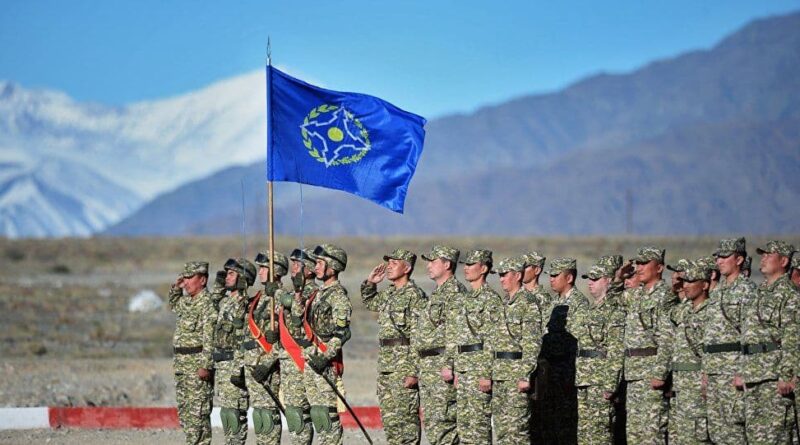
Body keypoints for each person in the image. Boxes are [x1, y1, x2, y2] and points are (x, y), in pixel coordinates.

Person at [736, 240, 800, 444]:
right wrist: (741, 370)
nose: (763, 258)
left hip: (773, 377)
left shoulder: (789, 295)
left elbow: (792, 336)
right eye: (762, 254)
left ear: (783, 261)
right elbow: (748, 335)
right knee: (755, 437)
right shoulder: (759, 292)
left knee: (776, 436)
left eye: (768, 254)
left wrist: (787, 375)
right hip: (753, 375)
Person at [361, 248, 427, 445]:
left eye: (394, 263)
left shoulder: (414, 295)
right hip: (387, 365)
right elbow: (370, 302)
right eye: (388, 263)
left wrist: (413, 371)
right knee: (390, 423)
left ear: (406, 268)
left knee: (405, 422)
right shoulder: (389, 293)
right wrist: (370, 284)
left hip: (403, 365)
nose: (388, 267)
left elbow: (419, 335)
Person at [487, 257, 544, 444]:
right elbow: (492, 341)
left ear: (518, 275)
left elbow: (532, 342)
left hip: (515, 375)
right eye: (500, 275)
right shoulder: (504, 303)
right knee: (503, 431)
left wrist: (525, 375)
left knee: (517, 431)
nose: (501, 279)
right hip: (500, 375)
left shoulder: (528, 302)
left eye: (505, 275)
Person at [623, 247, 676, 445]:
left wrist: (660, 373)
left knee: (652, 433)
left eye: (645, 263)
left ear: (660, 267)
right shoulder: (637, 295)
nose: (639, 268)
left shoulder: (665, 296)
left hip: (651, 371)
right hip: (634, 373)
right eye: (638, 263)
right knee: (634, 434)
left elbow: (667, 338)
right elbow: (613, 297)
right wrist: (620, 276)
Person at [300, 244, 352, 445]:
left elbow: (342, 333)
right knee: (317, 414)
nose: (317, 267)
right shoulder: (319, 293)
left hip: (325, 363)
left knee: (327, 416)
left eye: (321, 263)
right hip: (311, 360)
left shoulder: (338, 295)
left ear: (333, 266)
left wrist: (325, 356)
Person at [570, 260, 625, 444]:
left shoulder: (614, 311)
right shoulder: (588, 310)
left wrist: (610, 384)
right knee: (584, 434)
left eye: (595, 278)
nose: (590, 282)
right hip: (584, 379)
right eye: (588, 278)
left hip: (600, 381)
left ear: (608, 281)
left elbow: (616, 349)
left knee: (600, 433)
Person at [416, 245, 466, 445]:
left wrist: (450, 364)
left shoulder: (455, 293)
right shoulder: (438, 293)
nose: (428, 266)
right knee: (434, 425)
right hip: (429, 367)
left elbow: (457, 332)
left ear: (447, 264)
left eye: (433, 261)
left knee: (444, 425)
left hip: (442, 365)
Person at [449, 249, 500, 444]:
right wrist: (456, 368)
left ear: (484, 268)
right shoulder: (465, 299)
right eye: (465, 264)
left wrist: (486, 373)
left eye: (471, 265)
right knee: (465, 427)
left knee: (478, 426)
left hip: (479, 369)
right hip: (464, 370)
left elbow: (493, 339)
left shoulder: (491, 300)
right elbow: (459, 337)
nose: (466, 268)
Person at [704, 237, 751, 444]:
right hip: (714, 371)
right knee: (716, 432)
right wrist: (705, 371)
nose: (719, 261)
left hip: (732, 370)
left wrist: (744, 371)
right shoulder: (716, 293)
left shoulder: (747, 290)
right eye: (718, 257)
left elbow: (750, 334)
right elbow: (709, 335)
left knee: (733, 432)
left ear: (739, 259)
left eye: (725, 257)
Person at [242, 251, 288, 445]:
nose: (260, 272)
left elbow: (286, 338)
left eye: (264, 268)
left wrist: (267, 363)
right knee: (259, 416)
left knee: (268, 416)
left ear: (275, 270)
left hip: (268, 367)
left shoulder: (280, 298)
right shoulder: (259, 298)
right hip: (251, 364)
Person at [169, 261, 216, 445]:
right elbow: (173, 304)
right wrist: (176, 287)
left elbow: (210, 338)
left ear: (202, 280)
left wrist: (205, 365)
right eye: (185, 278)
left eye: (190, 278)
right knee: (186, 414)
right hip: (182, 366)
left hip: (197, 368)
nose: (186, 282)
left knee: (198, 416)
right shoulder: (187, 301)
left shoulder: (207, 304)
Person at [541, 257, 587, 444]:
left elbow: (575, 337)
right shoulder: (554, 302)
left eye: (555, 275)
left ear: (569, 278)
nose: (551, 279)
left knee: (566, 421)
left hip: (567, 369)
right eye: (550, 275)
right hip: (551, 369)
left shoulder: (578, 303)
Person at [211, 257, 257, 445]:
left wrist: (238, 369)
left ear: (242, 279)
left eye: (231, 274)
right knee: (226, 415)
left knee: (235, 416)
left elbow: (243, 341)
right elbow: (211, 305)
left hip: (234, 366)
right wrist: (219, 285)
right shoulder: (227, 302)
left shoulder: (244, 305)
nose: (226, 277)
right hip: (222, 366)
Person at [279, 248, 318, 445]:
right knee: (294, 413)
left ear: (309, 269)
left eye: (298, 264)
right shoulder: (292, 292)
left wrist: (285, 295)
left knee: (305, 413)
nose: (293, 267)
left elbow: (297, 318)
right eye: (292, 263)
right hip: (288, 359)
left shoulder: (313, 292)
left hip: (303, 358)